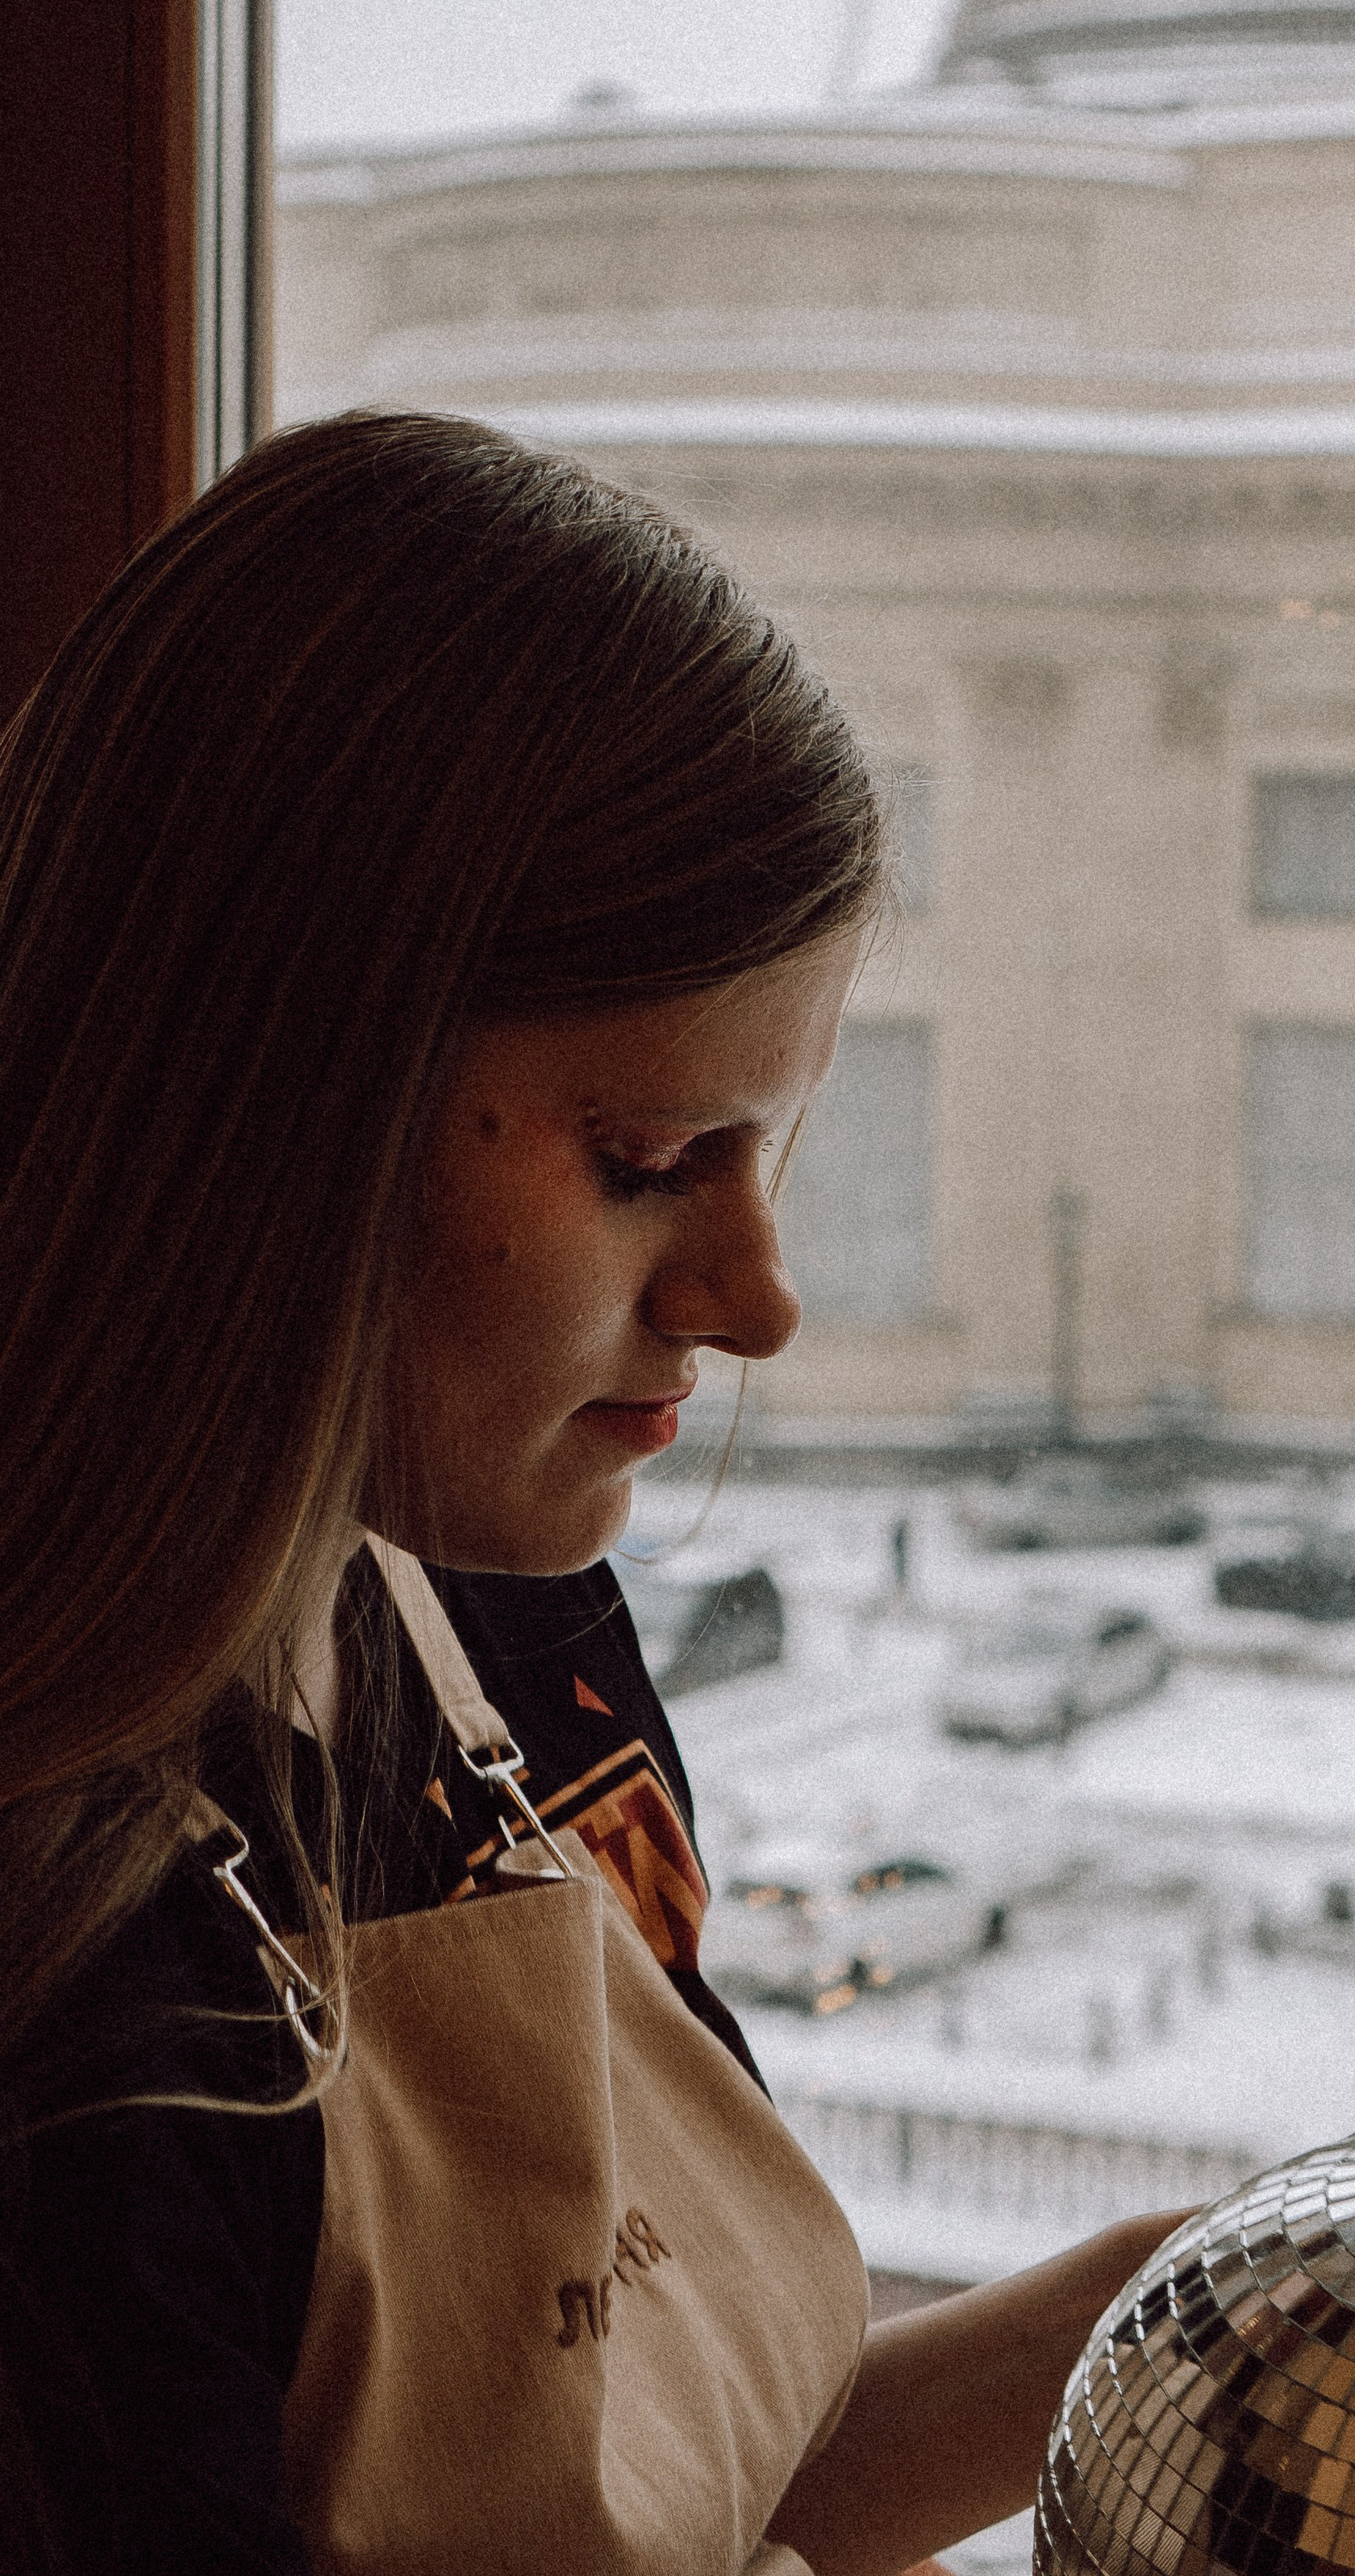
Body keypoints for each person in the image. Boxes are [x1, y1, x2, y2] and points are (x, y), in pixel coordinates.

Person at [0, 412, 1186, 2576]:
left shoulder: (506, 1642)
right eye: (649, 1163)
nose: (756, 1302)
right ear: (267, 1098)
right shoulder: (85, 2028)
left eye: (773, 1149)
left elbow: (677, 2483)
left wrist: (1172, 2311)